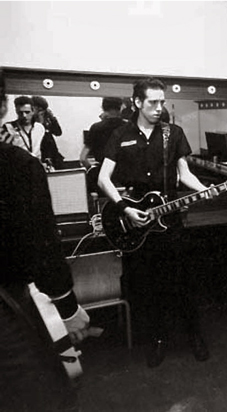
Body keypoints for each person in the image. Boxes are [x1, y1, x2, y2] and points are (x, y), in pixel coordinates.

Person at [97, 77, 212, 368]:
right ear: (137, 102)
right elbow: (103, 178)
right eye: (153, 102)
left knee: (184, 283)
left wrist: (204, 190)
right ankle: (158, 339)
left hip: (170, 221)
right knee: (148, 288)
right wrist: (124, 208)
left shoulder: (173, 133)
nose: (159, 107)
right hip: (136, 223)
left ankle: (195, 335)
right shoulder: (120, 134)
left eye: (162, 102)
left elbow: (184, 174)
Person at [0, 72, 92, 411]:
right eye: (21, 110)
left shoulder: (41, 131)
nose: (25, 115)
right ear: (6, 106)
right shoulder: (16, 164)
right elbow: (42, 245)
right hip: (9, 307)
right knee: (43, 392)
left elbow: (57, 145)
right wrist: (67, 309)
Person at [80, 97, 127, 170]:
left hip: (102, 169)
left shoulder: (96, 128)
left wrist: (92, 169)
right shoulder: (129, 127)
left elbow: (83, 158)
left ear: (103, 108)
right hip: (125, 170)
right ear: (120, 108)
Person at [1, 95, 46, 162]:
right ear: (16, 111)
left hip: (37, 165)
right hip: (19, 165)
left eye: (27, 112)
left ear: (33, 111)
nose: (24, 115)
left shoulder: (40, 128)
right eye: (20, 113)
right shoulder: (8, 127)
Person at [31, 95, 65, 169]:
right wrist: (40, 122)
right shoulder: (29, 121)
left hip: (53, 152)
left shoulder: (48, 118)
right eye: (39, 110)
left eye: (42, 110)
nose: (41, 113)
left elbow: (58, 132)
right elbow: (39, 137)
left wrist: (53, 119)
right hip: (40, 153)